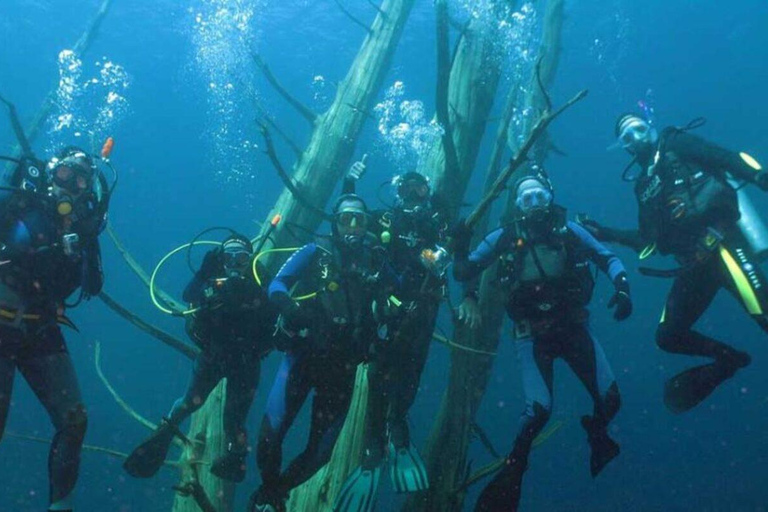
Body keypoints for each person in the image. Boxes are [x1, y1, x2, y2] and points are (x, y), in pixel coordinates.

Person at [452, 169, 633, 512]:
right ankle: (513, 470)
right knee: (538, 411)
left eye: (540, 196)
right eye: (526, 198)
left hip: (573, 328)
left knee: (611, 400)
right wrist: (461, 249)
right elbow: (464, 272)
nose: (534, 203)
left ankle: (597, 432)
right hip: (532, 336)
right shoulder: (504, 237)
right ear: (518, 205)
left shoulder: (569, 232)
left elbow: (607, 257)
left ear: (550, 197)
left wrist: (622, 287)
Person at [579, 112, 768, 413]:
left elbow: (725, 158)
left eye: (639, 129)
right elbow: (650, 241)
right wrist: (605, 233)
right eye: (627, 137)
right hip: (695, 265)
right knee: (668, 336)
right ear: (623, 147)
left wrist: (759, 177)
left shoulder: (678, 143)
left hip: (724, 247)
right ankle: (729, 359)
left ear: (650, 128)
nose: (635, 139)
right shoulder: (643, 187)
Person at [250, 194, 400, 512]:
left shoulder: (376, 259)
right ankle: (269, 493)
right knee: (267, 440)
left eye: (360, 220)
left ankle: (271, 494)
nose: (354, 226)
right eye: (347, 219)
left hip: (343, 367)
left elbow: (400, 290)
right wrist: (290, 309)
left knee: (320, 454)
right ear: (336, 222)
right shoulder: (315, 252)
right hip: (304, 355)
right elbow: (277, 284)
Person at [338, 158, 472, 508]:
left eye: (420, 189)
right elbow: (351, 223)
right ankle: (372, 445)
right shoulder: (387, 220)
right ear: (397, 193)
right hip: (388, 309)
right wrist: (348, 186)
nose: (414, 195)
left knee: (412, 369)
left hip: (425, 308)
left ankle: (398, 427)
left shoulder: (436, 223)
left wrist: (453, 243)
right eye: (407, 189)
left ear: (427, 193)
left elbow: (460, 254)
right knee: (379, 371)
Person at [0, 146, 110, 512]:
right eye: (66, 174)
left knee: (74, 419)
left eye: (81, 180)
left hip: (39, 329)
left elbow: (90, 287)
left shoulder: (82, 227)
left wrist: (87, 239)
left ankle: (61, 507)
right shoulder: (22, 202)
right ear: (51, 172)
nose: (72, 185)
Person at [123, 233, 276, 483]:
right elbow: (188, 296)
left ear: (250, 260)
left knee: (234, 421)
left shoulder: (259, 280)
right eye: (229, 257)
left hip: (246, 362)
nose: (235, 263)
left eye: (242, 258)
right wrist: (204, 275)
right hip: (215, 357)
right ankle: (162, 435)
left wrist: (256, 297)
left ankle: (235, 459)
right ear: (221, 260)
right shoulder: (212, 282)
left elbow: (275, 312)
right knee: (189, 404)